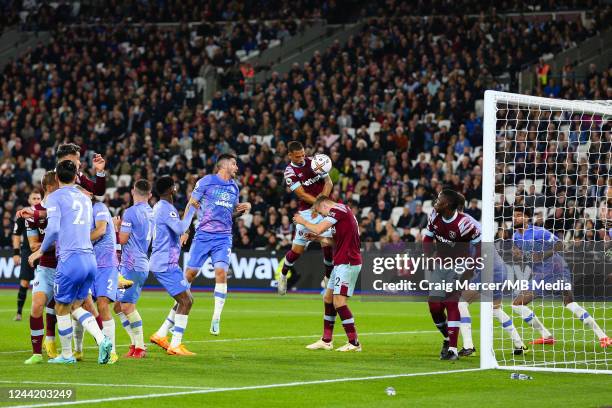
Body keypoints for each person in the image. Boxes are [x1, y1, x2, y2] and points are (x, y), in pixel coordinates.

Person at [28, 160, 112, 364]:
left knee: (60, 307)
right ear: (76, 177)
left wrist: (39, 251)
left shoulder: (55, 197)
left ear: (56, 178)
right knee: (76, 305)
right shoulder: (85, 198)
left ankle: (66, 355)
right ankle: (102, 340)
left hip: (69, 259)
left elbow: (54, 228)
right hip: (89, 259)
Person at [171, 153, 250, 338]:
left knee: (221, 272)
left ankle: (216, 318)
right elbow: (192, 204)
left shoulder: (234, 188)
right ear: (224, 166)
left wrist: (243, 210)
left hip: (223, 237)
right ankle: (174, 313)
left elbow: (231, 213)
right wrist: (185, 229)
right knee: (189, 274)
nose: (237, 167)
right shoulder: (206, 181)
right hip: (203, 235)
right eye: (234, 164)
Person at [511, 206, 610, 348]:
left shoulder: (539, 232)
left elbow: (559, 244)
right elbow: (522, 254)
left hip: (557, 270)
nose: (515, 218)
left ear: (527, 218)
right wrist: (518, 255)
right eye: (514, 215)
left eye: (519, 215)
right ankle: (546, 336)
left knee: (569, 303)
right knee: (517, 304)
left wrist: (541, 256)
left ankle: (603, 337)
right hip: (541, 275)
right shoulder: (516, 236)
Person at [294, 195, 362, 352]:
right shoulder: (342, 214)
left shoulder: (338, 209)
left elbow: (319, 227)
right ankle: (326, 340)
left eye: (321, 213)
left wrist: (302, 221)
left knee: (339, 302)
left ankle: (354, 343)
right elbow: (333, 241)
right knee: (328, 297)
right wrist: (317, 238)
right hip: (341, 262)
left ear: (324, 205)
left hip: (348, 261)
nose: (323, 216)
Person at [422, 189, 481, 360]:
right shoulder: (434, 215)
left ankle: (453, 349)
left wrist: (470, 269)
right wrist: (427, 258)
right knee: (434, 306)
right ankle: (447, 338)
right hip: (440, 265)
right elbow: (427, 239)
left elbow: (479, 246)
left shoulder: (465, 224)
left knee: (451, 302)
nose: (436, 202)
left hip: (460, 266)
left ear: (447, 205)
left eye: (439, 199)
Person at [149, 176, 198, 355]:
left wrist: (180, 236)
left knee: (183, 299)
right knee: (186, 301)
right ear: (171, 189)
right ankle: (175, 346)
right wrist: (191, 209)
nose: (176, 187)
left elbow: (170, 232)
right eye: (174, 185)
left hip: (165, 261)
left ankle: (161, 334)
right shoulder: (165, 208)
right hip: (164, 264)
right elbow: (180, 227)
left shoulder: (160, 207)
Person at [279, 141, 334, 295]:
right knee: (297, 251)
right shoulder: (289, 172)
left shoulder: (314, 162)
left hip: (322, 209)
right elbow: (302, 194)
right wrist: (317, 205)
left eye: (303, 154)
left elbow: (328, 182)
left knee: (327, 242)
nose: (302, 158)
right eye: (297, 156)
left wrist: (321, 204)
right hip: (306, 213)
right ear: (290, 155)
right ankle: (283, 275)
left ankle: (328, 279)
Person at [115, 179, 154, 358]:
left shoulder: (130, 213)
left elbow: (122, 239)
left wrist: (116, 228)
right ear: (150, 195)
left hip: (132, 264)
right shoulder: (152, 213)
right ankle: (133, 344)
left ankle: (140, 347)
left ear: (132, 191)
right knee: (118, 305)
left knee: (127, 306)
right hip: (141, 262)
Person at [24, 173, 59, 364]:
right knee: (37, 306)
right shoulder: (32, 213)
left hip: (66, 266)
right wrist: (55, 241)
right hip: (45, 267)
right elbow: (33, 245)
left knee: (71, 309)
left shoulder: (62, 208)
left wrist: (48, 243)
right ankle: (37, 353)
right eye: (57, 185)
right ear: (48, 187)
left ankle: (65, 347)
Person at [90, 196, 120, 363]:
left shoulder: (99, 207)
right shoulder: (79, 211)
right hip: (88, 264)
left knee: (102, 304)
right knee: (82, 306)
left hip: (106, 265)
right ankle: (77, 350)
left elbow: (101, 230)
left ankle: (112, 352)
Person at [13, 190, 42, 321]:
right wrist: (16, 253)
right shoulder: (22, 215)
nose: (36, 200)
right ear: (29, 201)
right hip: (27, 251)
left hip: (42, 251)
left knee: (49, 282)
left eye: (38, 198)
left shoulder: (44, 213)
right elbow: (16, 235)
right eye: (34, 198)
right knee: (24, 281)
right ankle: (19, 313)